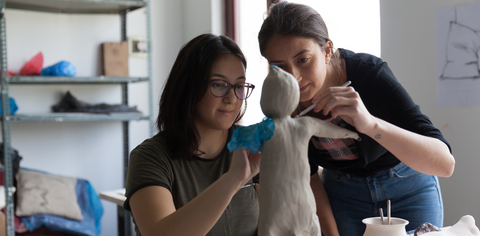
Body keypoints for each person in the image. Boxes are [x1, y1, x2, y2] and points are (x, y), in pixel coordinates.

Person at [257, 2, 455, 236]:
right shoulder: (280, 102)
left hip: (407, 186)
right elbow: (308, 176)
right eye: (279, 67)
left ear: (327, 50)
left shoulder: (367, 73)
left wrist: (370, 124)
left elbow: (445, 164)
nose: (294, 78)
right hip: (343, 195)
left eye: (303, 60)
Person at [123, 33, 260, 236]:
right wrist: (235, 178)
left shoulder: (251, 145)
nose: (232, 98)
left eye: (239, 86)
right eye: (218, 84)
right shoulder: (150, 158)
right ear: (189, 86)